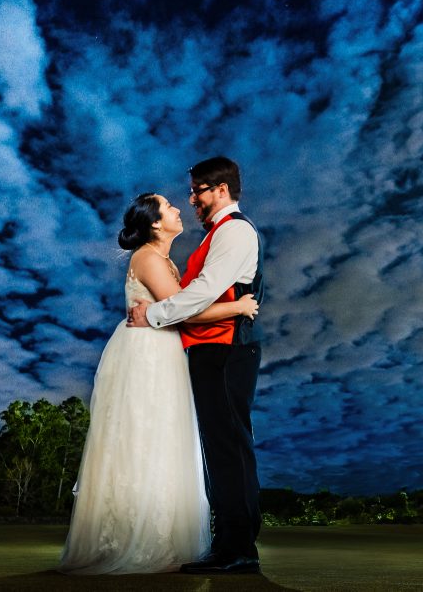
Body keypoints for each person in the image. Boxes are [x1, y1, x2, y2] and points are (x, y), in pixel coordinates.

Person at [58, 192, 259, 575]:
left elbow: (177, 307)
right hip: (148, 353)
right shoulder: (148, 257)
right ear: (153, 223)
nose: (178, 209)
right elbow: (182, 312)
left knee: (164, 438)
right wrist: (238, 307)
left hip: (163, 351)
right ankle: (140, 539)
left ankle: (163, 537)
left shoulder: (162, 259)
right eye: (168, 207)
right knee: (146, 436)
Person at [128, 156, 265, 575]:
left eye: (197, 191)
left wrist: (151, 315)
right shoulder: (218, 235)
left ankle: (237, 547)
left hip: (226, 350)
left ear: (220, 190)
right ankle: (231, 543)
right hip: (213, 351)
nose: (191, 200)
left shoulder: (235, 231)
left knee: (228, 446)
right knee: (221, 448)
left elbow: (204, 292)